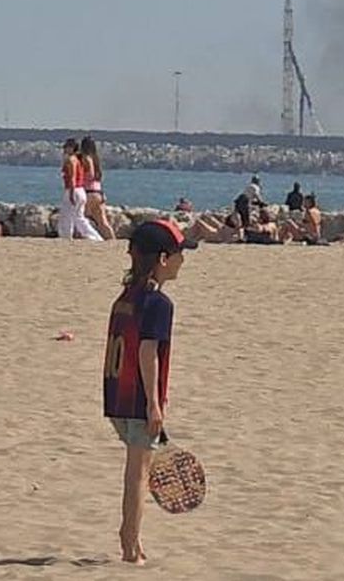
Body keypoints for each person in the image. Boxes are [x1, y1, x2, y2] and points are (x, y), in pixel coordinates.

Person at [104, 219, 196, 566]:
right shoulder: (159, 304)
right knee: (138, 474)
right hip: (138, 399)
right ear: (162, 259)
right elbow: (147, 353)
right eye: (178, 254)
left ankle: (131, 538)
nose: (182, 261)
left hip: (116, 397)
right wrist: (155, 404)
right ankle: (130, 543)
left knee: (135, 469)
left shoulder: (125, 296)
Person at [58, 139, 103, 241]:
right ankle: (95, 237)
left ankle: (66, 236)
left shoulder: (71, 160)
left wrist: (71, 192)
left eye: (66, 147)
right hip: (81, 190)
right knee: (79, 217)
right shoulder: (78, 160)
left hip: (73, 189)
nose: (64, 149)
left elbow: (72, 176)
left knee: (66, 215)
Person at [79, 137, 115, 241]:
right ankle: (112, 240)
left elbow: (90, 175)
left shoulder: (86, 158)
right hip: (98, 192)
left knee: (81, 217)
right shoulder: (96, 159)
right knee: (103, 222)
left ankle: (93, 238)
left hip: (89, 192)